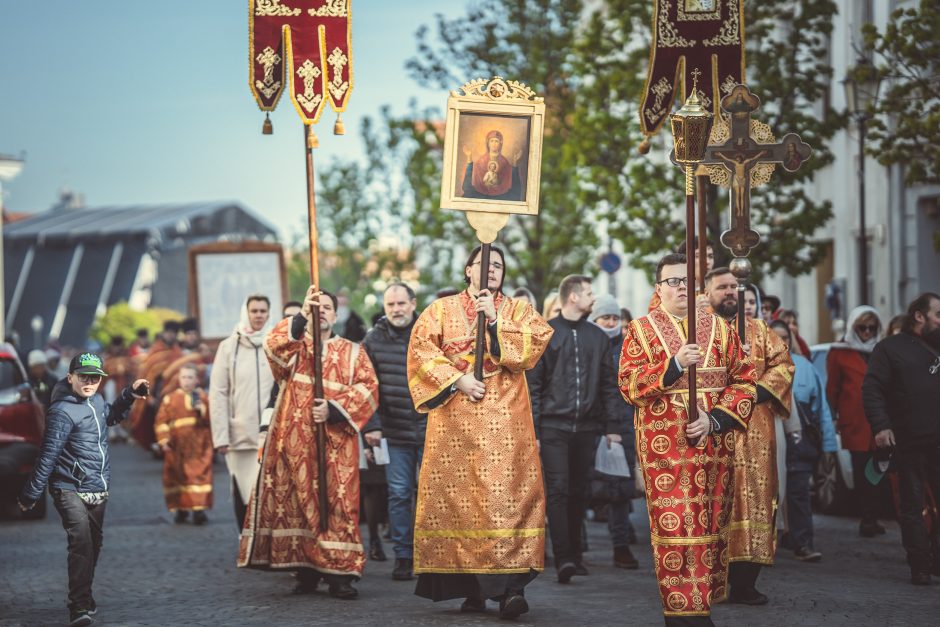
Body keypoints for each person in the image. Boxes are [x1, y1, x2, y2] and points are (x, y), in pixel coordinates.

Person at [407, 244, 553, 619]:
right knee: (461, 503)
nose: (491, 271)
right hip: (456, 421)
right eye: (483, 264)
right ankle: (469, 586)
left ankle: (510, 590)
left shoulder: (518, 310)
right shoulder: (438, 311)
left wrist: (496, 323)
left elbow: (534, 346)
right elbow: (421, 353)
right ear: (468, 270)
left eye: (498, 266)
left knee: (508, 501)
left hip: (506, 425)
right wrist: (457, 380)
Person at [621, 254, 755, 626]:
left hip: (712, 449)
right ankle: (683, 614)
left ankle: (701, 604)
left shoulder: (721, 329)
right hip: (667, 451)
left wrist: (714, 420)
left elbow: (744, 381)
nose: (681, 287)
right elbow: (628, 384)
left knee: (710, 527)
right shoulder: (640, 330)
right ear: (658, 288)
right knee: (676, 527)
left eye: (686, 281)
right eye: (672, 281)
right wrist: (675, 365)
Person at [238, 287, 379, 600]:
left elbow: (369, 388)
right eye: (317, 307)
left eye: (327, 307)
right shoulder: (295, 346)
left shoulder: (353, 351)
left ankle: (341, 574)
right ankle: (306, 569)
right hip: (294, 443)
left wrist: (334, 408)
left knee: (338, 506)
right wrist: (301, 314)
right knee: (299, 506)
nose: (322, 312)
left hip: (337, 443)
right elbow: (272, 346)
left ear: (336, 314)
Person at [18, 353, 148, 626]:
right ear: (70, 378)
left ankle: (84, 596)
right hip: (68, 487)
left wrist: (129, 394)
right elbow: (48, 454)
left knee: (94, 544)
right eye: (83, 376)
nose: (89, 382)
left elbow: (109, 417)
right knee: (81, 543)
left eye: (94, 377)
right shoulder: (61, 411)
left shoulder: (97, 400)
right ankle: (78, 608)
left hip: (97, 486)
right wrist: (31, 494)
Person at [705, 271, 794, 605]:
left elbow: (783, 365)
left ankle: (745, 582)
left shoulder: (759, 330)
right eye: (722, 287)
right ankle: (710, 581)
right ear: (707, 292)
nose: (730, 293)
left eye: (734, 287)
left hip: (755, 429)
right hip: (713, 428)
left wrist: (756, 391)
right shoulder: (697, 330)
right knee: (714, 500)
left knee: (755, 500)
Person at [528, 275, 623, 583]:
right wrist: (536, 432)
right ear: (573, 297)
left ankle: (576, 556)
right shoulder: (546, 334)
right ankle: (564, 557)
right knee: (557, 490)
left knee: (579, 491)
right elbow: (535, 386)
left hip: (586, 428)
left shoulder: (597, 336)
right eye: (589, 293)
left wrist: (611, 426)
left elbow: (610, 383)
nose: (593, 298)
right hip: (553, 426)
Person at [863, 292, 940, 585]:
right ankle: (920, 564)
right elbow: (872, 390)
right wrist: (882, 426)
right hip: (910, 441)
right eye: (938, 315)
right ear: (919, 316)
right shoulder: (889, 349)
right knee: (912, 506)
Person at [362, 282, 427, 581]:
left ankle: (434, 558)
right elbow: (365, 386)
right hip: (392, 432)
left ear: (413, 303)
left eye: (401, 303)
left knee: (433, 496)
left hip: (431, 429)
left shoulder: (430, 332)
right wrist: (372, 425)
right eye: (391, 305)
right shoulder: (373, 341)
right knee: (399, 494)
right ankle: (403, 556)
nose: (396, 309)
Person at [769, 320, 837, 563]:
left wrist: (829, 447)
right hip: (770, 438)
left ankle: (803, 543)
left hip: (800, 440)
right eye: (774, 337)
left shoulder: (806, 367)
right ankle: (765, 546)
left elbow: (822, 410)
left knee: (799, 492)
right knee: (769, 494)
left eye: (784, 337)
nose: (780, 342)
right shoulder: (758, 367)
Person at [209, 295, 275, 530]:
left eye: (263, 311)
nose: (258, 315)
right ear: (246, 312)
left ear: (269, 314)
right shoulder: (228, 347)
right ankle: (244, 538)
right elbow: (218, 394)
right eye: (254, 310)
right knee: (242, 491)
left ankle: (267, 543)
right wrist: (221, 436)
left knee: (270, 492)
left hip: (272, 434)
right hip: (240, 435)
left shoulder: (276, 344)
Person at [827, 305, 887, 537]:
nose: (867, 331)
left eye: (872, 327)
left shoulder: (883, 350)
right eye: (862, 327)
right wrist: (832, 417)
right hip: (854, 421)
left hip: (882, 421)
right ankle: (867, 519)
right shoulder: (839, 352)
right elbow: (832, 389)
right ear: (854, 326)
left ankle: (874, 515)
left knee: (879, 470)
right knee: (862, 470)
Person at [589, 294, 639, 569]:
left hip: (621, 423)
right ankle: (574, 548)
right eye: (604, 318)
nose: (610, 322)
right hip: (589, 423)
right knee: (584, 486)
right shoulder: (587, 344)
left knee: (619, 488)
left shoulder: (629, 347)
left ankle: (621, 545)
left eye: (614, 318)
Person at [154, 363, 213, 525]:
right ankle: (180, 509)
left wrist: (203, 410)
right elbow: (161, 421)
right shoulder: (170, 398)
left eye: (190, 377)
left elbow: (212, 420)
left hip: (199, 445)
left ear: (197, 380)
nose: (186, 381)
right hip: (177, 446)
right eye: (184, 377)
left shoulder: (203, 397)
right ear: (179, 379)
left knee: (199, 476)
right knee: (177, 476)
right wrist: (164, 439)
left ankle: (198, 509)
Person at [128, 320, 182, 454]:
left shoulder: (178, 351)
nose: (171, 336)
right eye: (169, 333)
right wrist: (148, 396)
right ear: (163, 333)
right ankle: (160, 445)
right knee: (159, 420)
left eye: (174, 333)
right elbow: (145, 374)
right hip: (158, 394)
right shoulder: (155, 352)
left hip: (176, 392)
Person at [648, 239, 714, 313]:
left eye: (710, 256)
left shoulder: (717, 290)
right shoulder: (664, 292)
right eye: (698, 256)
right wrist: (691, 307)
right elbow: (655, 320)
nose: (707, 262)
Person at [461, 130, 524, 200]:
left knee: (514, 197)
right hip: (482, 194)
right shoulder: (481, 160)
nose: (494, 143)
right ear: (488, 143)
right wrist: (469, 157)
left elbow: (514, 186)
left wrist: (515, 162)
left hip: (501, 195)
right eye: (492, 141)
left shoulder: (504, 161)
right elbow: (468, 183)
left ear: (500, 143)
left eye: (496, 141)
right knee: (467, 195)